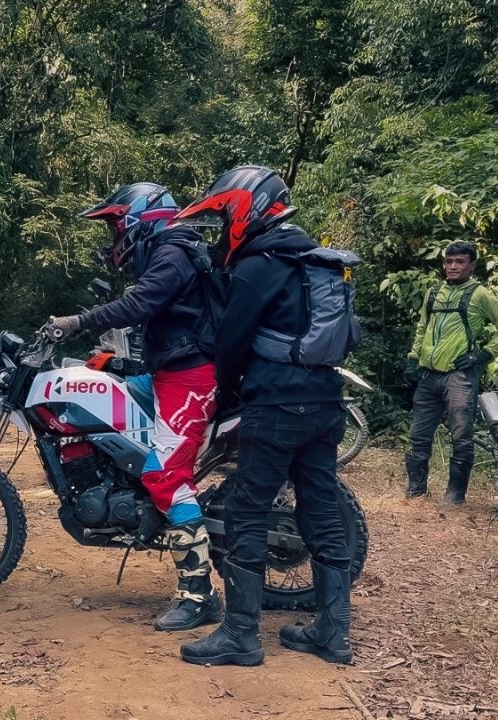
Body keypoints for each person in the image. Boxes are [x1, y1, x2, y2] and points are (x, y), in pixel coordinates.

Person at [174, 165, 354, 667]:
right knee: (319, 511)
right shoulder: (315, 260)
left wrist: (225, 393)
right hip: (325, 401)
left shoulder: (258, 266)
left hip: (275, 404)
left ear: (244, 208)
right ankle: (332, 635)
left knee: (247, 511)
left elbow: (231, 342)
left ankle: (240, 635)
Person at [47, 182, 221, 632]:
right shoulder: (172, 249)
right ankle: (121, 490)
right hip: (169, 374)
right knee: (96, 389)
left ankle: (199, 594)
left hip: (191, 378)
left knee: (166, 474)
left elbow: (140, 303)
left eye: (115, 225)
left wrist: (78, 322)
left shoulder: (173, 251)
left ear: (139, 217)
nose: (113, 238)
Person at [403, 242, 498, 505]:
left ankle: (455, 496)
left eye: (460, 262)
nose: (453, 266)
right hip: (428, 375)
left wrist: (482, 354)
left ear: (472, 265)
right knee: (418, 437)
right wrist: (412, 360)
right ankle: (415, 491)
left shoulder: (480, 294)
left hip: (459, 377)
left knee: (461, 436)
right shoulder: (433, 293)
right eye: (449, 261)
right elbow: (422, 329)